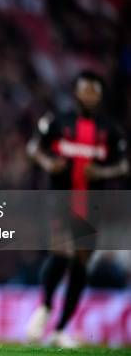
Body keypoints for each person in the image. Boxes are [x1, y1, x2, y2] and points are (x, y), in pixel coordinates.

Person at [25, 71, 128, 348]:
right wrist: (49, 164)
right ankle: (45, 305)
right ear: (76, 92)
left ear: (101, 95)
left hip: (93, 203)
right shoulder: (58, 121)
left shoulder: (111, 130)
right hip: (60, 198)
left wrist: (104, 171)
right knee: (61, 252)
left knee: (81, 263)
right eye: (85, 90)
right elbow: (34, 148)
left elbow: (124, 165)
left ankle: (60, 329)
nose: (89, 95)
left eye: (94, 91)